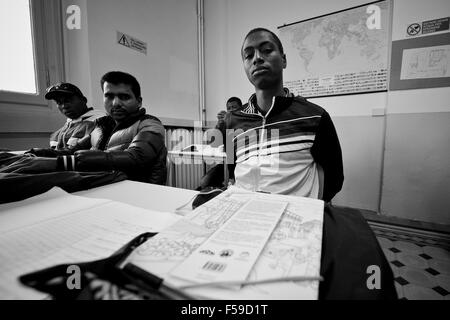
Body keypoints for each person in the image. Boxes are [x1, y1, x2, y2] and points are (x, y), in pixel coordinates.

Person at [224, 27, 344, 202]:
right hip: (246, 218)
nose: (257, 58)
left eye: (266, 50)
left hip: (295, 221)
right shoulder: (233, 120)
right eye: (248, 55)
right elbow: (232, 168)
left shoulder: (314, 117)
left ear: (284, 60)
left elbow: (334, 179)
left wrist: (309, 207)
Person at [7, 71, 168, 185]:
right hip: (100, 186)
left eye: (124, 97)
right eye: (109, 96)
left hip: (134, 189)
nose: (115, 103)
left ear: (138, 101)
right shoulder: (101, 125)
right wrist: (39, 153)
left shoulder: (149, 123)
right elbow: (73, 150)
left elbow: (136, 157)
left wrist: (64, 163)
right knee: (20, 170)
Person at [27, 82, 105, 156]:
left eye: (68, 100)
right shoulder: (57, 134)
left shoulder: (99, 122)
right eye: (59, 102)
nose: (64, 106)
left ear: (83, 100)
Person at [196, 97, 242, 190]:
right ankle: (219, 190)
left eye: (234, 107)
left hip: (239, 165)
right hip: (226, 164)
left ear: (241, 109)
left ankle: (227, 185)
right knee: (204, 182)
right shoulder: (225, 123)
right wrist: (219, 124)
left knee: (232, 187)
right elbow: (213, 143)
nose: (231, 110)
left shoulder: (244, 122)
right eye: (229, 108)